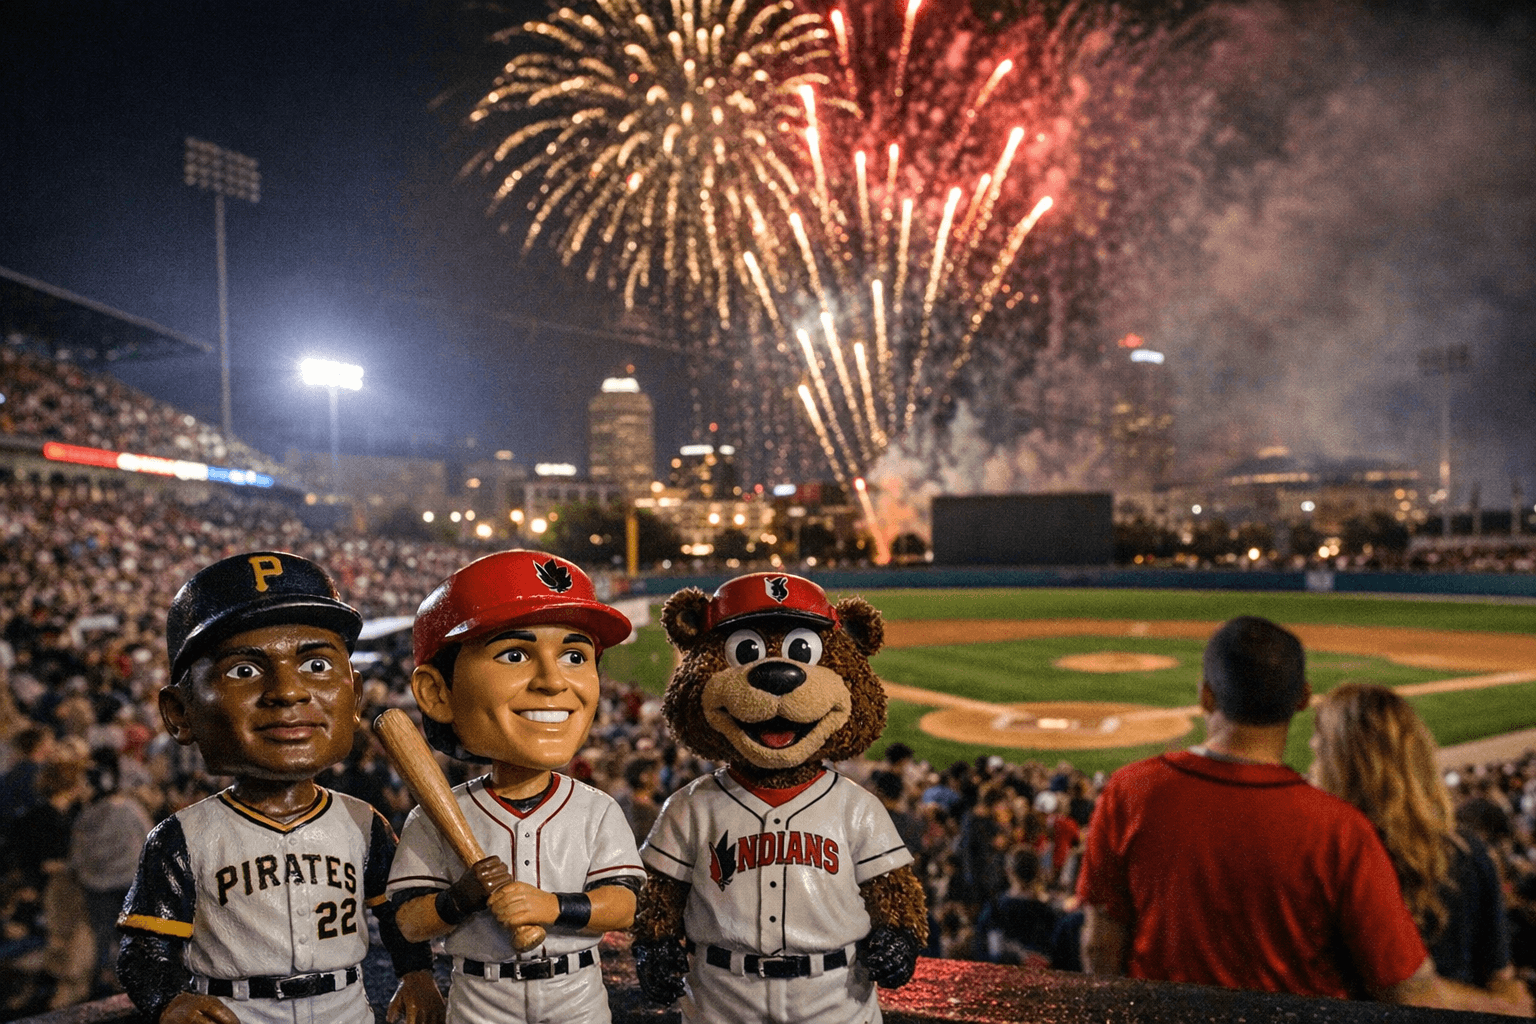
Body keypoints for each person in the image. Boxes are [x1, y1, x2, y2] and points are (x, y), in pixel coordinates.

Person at [1076, 615, 1522, 1013]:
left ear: (1206, 697)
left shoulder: (1128, 790)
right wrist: (1507, 1006)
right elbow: (1409, 993)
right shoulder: (1342, 829)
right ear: (1303, 699)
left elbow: (1100, 949)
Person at [116, 551, 443, 1024]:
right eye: (244, 670)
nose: (288, 691)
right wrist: (167, 999)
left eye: (315, 665)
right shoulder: (181, 837)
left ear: (353, 692)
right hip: (238, 1011)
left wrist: (417, 976)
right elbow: (145, 947)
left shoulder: (363, 821)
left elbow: (399, 918)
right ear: (180, 712)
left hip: (344, 1007)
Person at [387, 550, 644, 1024]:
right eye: (514, 654)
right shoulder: (435, 815)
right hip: (481, 996)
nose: (552, 681)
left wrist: (551, 906)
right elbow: (409, 921)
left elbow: (625, 905)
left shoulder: (595, 808)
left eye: (574, 655)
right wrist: (458, 899)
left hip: (576, 993)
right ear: (437, 693)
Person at [1311, 683, 1532, 1015]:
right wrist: (1504, 1004)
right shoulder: (1467, 851)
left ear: (1335, 762)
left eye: (1320, 749)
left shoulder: (1326, 853)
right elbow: (1500, 980)